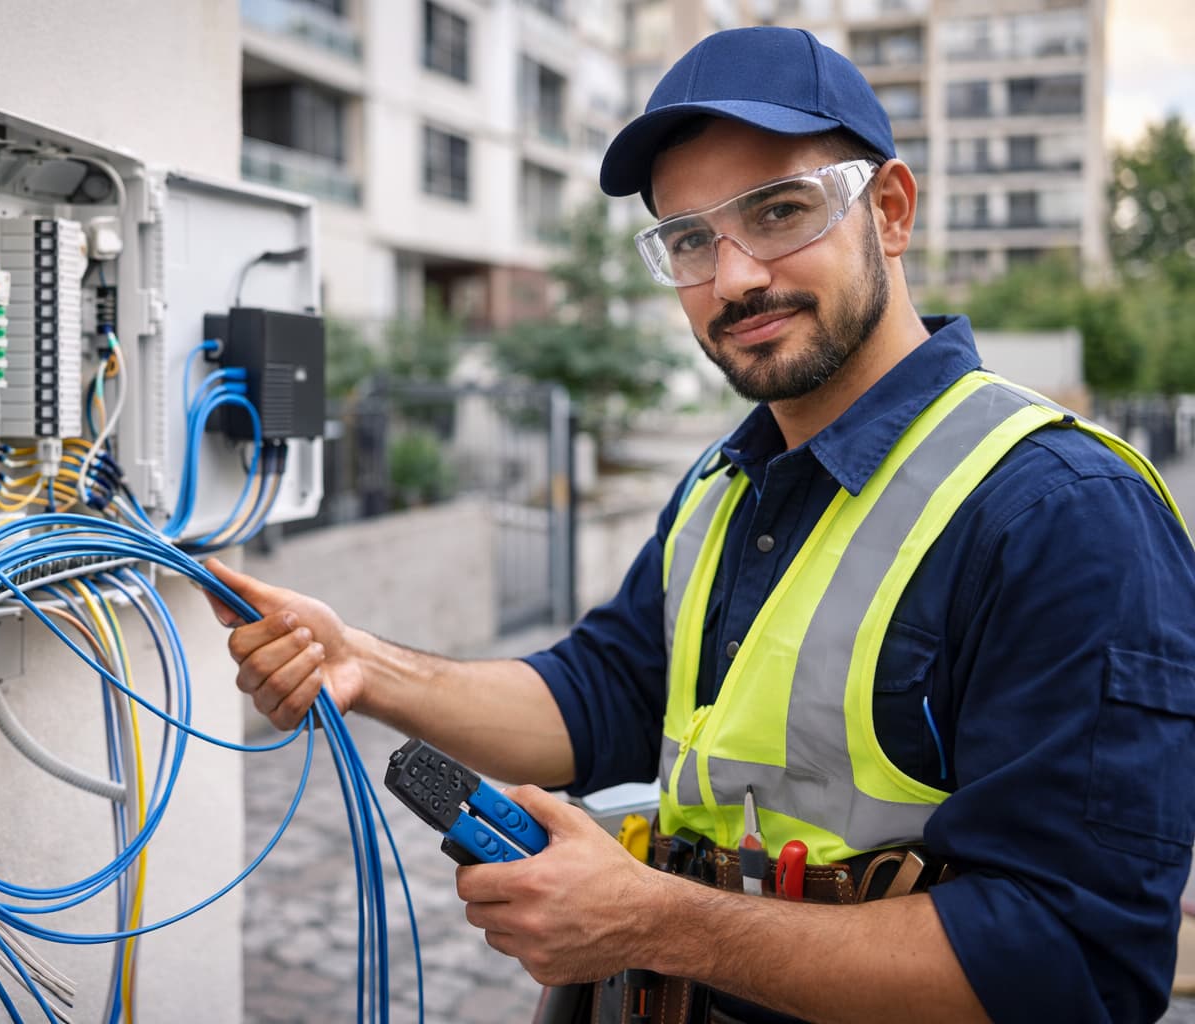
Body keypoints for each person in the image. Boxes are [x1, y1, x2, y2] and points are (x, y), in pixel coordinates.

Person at [205, 26, 1195, 1024]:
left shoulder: (1061, 512)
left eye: (779, 211)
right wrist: (363, 664)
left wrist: (653, 920)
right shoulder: (726, 485)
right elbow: (601, 694)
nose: (733, 280)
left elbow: (1070, 965)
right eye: (688, 239)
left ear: (889, 212)